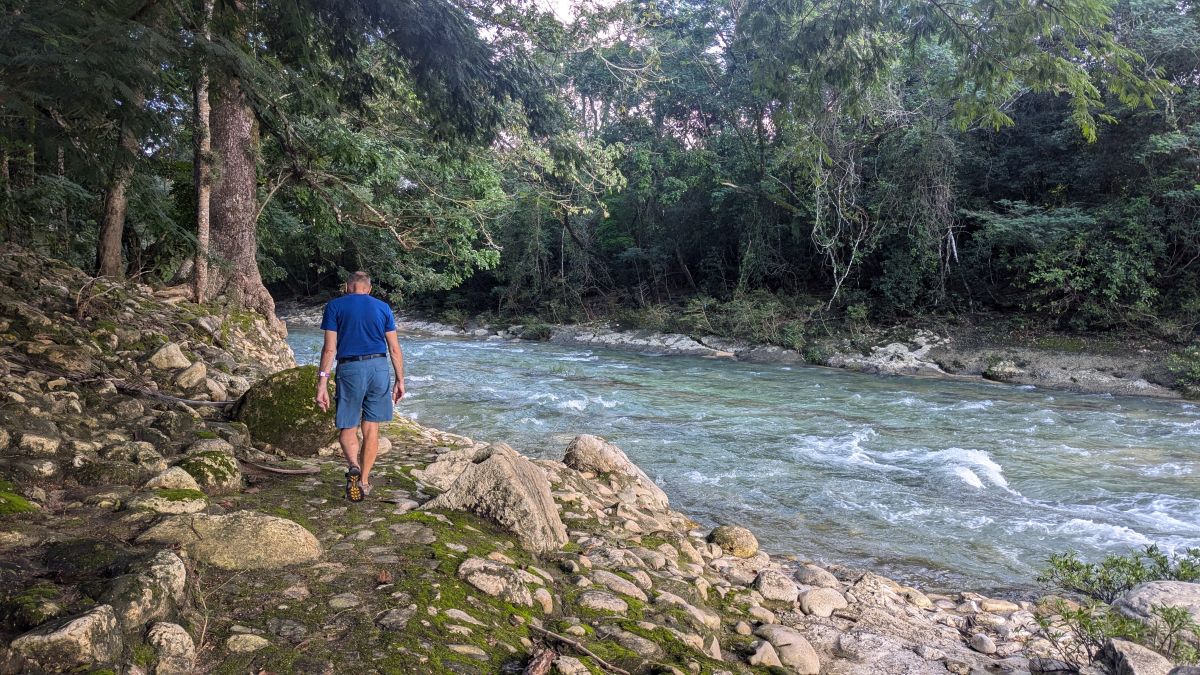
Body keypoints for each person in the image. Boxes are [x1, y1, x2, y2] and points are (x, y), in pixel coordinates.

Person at [314, 271, 405, 501]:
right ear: (369, 289)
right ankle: (363, 481)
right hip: (379, 368)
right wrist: (400, 380)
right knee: (371, 427)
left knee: (348, 426)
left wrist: (322, 383)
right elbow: (394, 349)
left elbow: (329, 349)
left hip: (350, 368)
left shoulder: (335, 306)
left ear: (347, 287)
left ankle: (353, 466)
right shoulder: (383, 307)